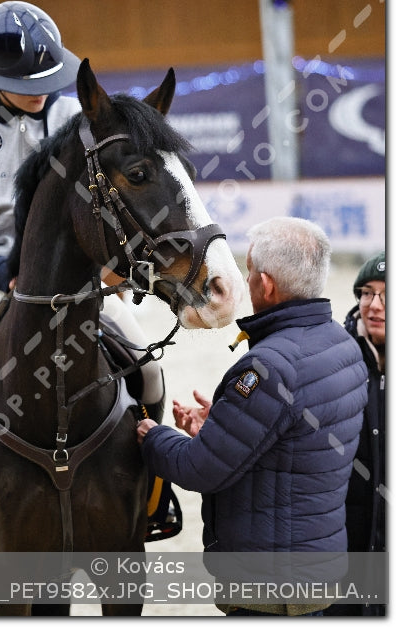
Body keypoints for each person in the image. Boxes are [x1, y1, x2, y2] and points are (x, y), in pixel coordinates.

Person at [0, 0, 165, 549]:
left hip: (72, 278)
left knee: (149, 371)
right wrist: (3, 271)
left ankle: (153, 494)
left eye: (48, 80)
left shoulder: (75, 117)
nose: (40, 93)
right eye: (25, 85)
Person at [137, 216, 368, 617]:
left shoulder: (269, 367)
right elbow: (293, 437)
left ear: (266, 284)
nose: (246, 281)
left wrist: (153, 436)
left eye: (249, 272)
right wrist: (222, 426)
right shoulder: (342, 343)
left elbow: (198, 468)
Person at [325, 252, 385, 617]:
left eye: (387, 295)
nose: (374, 305)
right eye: (366, 293)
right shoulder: (333, 360)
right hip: (341, 550)